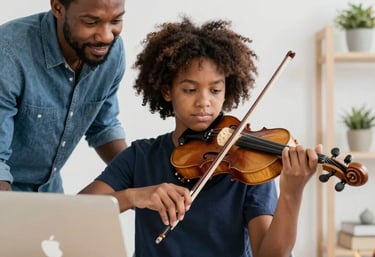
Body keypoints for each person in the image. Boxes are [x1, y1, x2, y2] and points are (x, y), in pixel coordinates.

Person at [79, 16, 322, 257]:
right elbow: (76, 212)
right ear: (167, 90)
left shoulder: (249, 164)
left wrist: (292, 192)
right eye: (190, 90)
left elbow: (270, 254)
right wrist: (135, 196)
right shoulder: (141, 156)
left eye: (215, 90)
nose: (204, 101)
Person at [0, 0, 128, 192]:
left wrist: (140, 176)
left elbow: (103, 126)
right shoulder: (8, 53)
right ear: (58, 7)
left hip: (50, 193)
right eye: (91, 22)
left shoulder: (111, 51)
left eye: (116, 20)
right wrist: (14, 216)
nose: (106, 36)